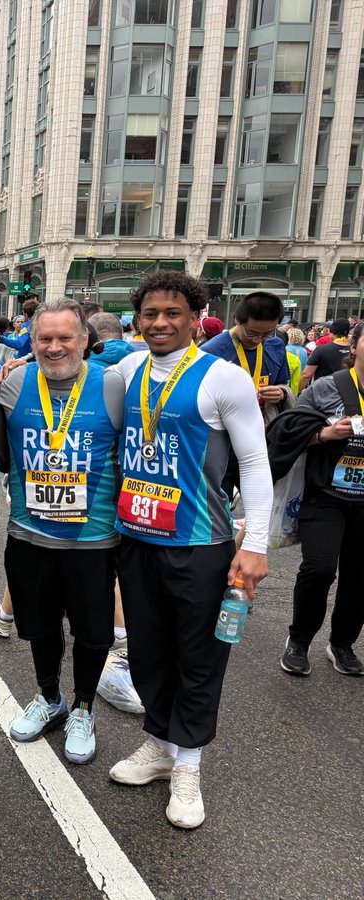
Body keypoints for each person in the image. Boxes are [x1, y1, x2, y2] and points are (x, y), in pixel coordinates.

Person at [108, 270, 270, 830]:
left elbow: (253, 462)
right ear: (137, 317)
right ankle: (158, 746)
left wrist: (257, 544)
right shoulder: (126, 370)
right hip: (137, 539)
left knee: (199, 658)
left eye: (172, 313)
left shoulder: (223, 378)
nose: (159, 323)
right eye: (150, 314)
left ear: (196, 317)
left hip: (201, 544)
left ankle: (189, 764)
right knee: (148, 652)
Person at [0, 298, 123, 766]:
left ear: (85, 341)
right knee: (39, 626)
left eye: (65, 337)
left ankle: (84, 706)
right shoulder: (16, 383)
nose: (54, 346)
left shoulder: (113, 386)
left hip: (93, 539)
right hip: (29, 535)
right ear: (31, 342)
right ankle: (49, 698)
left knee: (92, 632)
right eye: (44, 338)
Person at [270, 322, 364, 676]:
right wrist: (324, 433)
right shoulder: (327, 388)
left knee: (359, 576)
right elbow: (287, 435)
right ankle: (299, 640)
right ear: (352, 346)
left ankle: (342, 643)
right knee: (320, 569)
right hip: (326, 495)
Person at [301, 318, 352, 389]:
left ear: (332, 332)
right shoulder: (354, 350)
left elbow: (306, 375)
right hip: (348, 393)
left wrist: (298, 392)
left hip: (323, 392)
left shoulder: (321, 349)